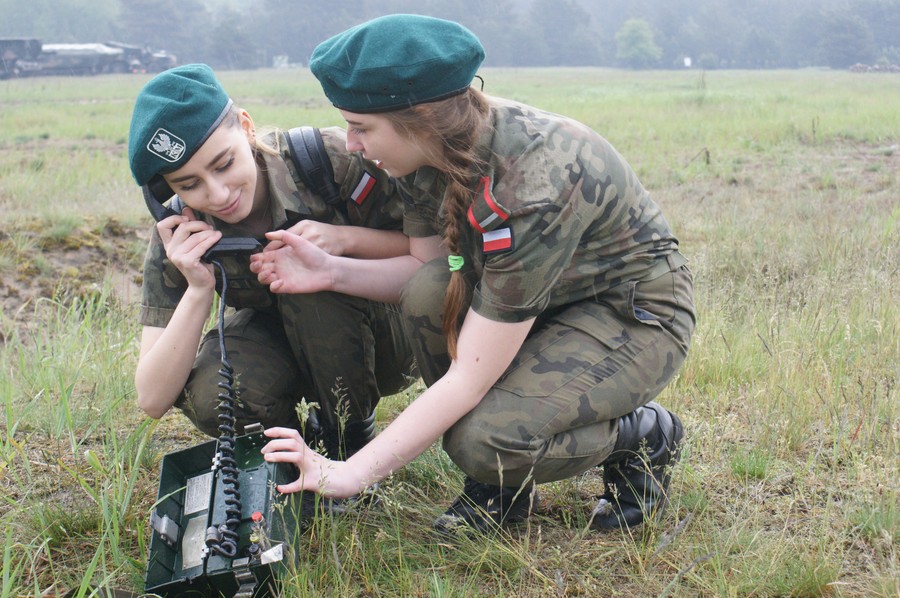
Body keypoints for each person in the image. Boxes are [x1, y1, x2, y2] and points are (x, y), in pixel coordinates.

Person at [253, 15, 695, 535]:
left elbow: (470, 378)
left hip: (630, 311)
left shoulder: (534, 183)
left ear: (420, 118)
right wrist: (330, 271)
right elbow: (427, 267)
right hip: (537, 300)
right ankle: (499, 491)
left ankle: (642, 436)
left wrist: (350, 472)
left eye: (362, 127)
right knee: (430, 288)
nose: (351, 143)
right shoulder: (427, 152)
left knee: (483, 440)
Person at [127, 64, 417, 462]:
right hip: (286, 350)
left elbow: (438, 254)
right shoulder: (182, 233)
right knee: (217, 391)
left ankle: (349, 442)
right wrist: (198, 288)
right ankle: (291, 453)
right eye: (189, 185)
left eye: (224, 163)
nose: (218, 194)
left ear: (246, 127)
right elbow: (153, 398)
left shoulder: (330, 163)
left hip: (388, 341)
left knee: (311, 286)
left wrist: (343, 241)